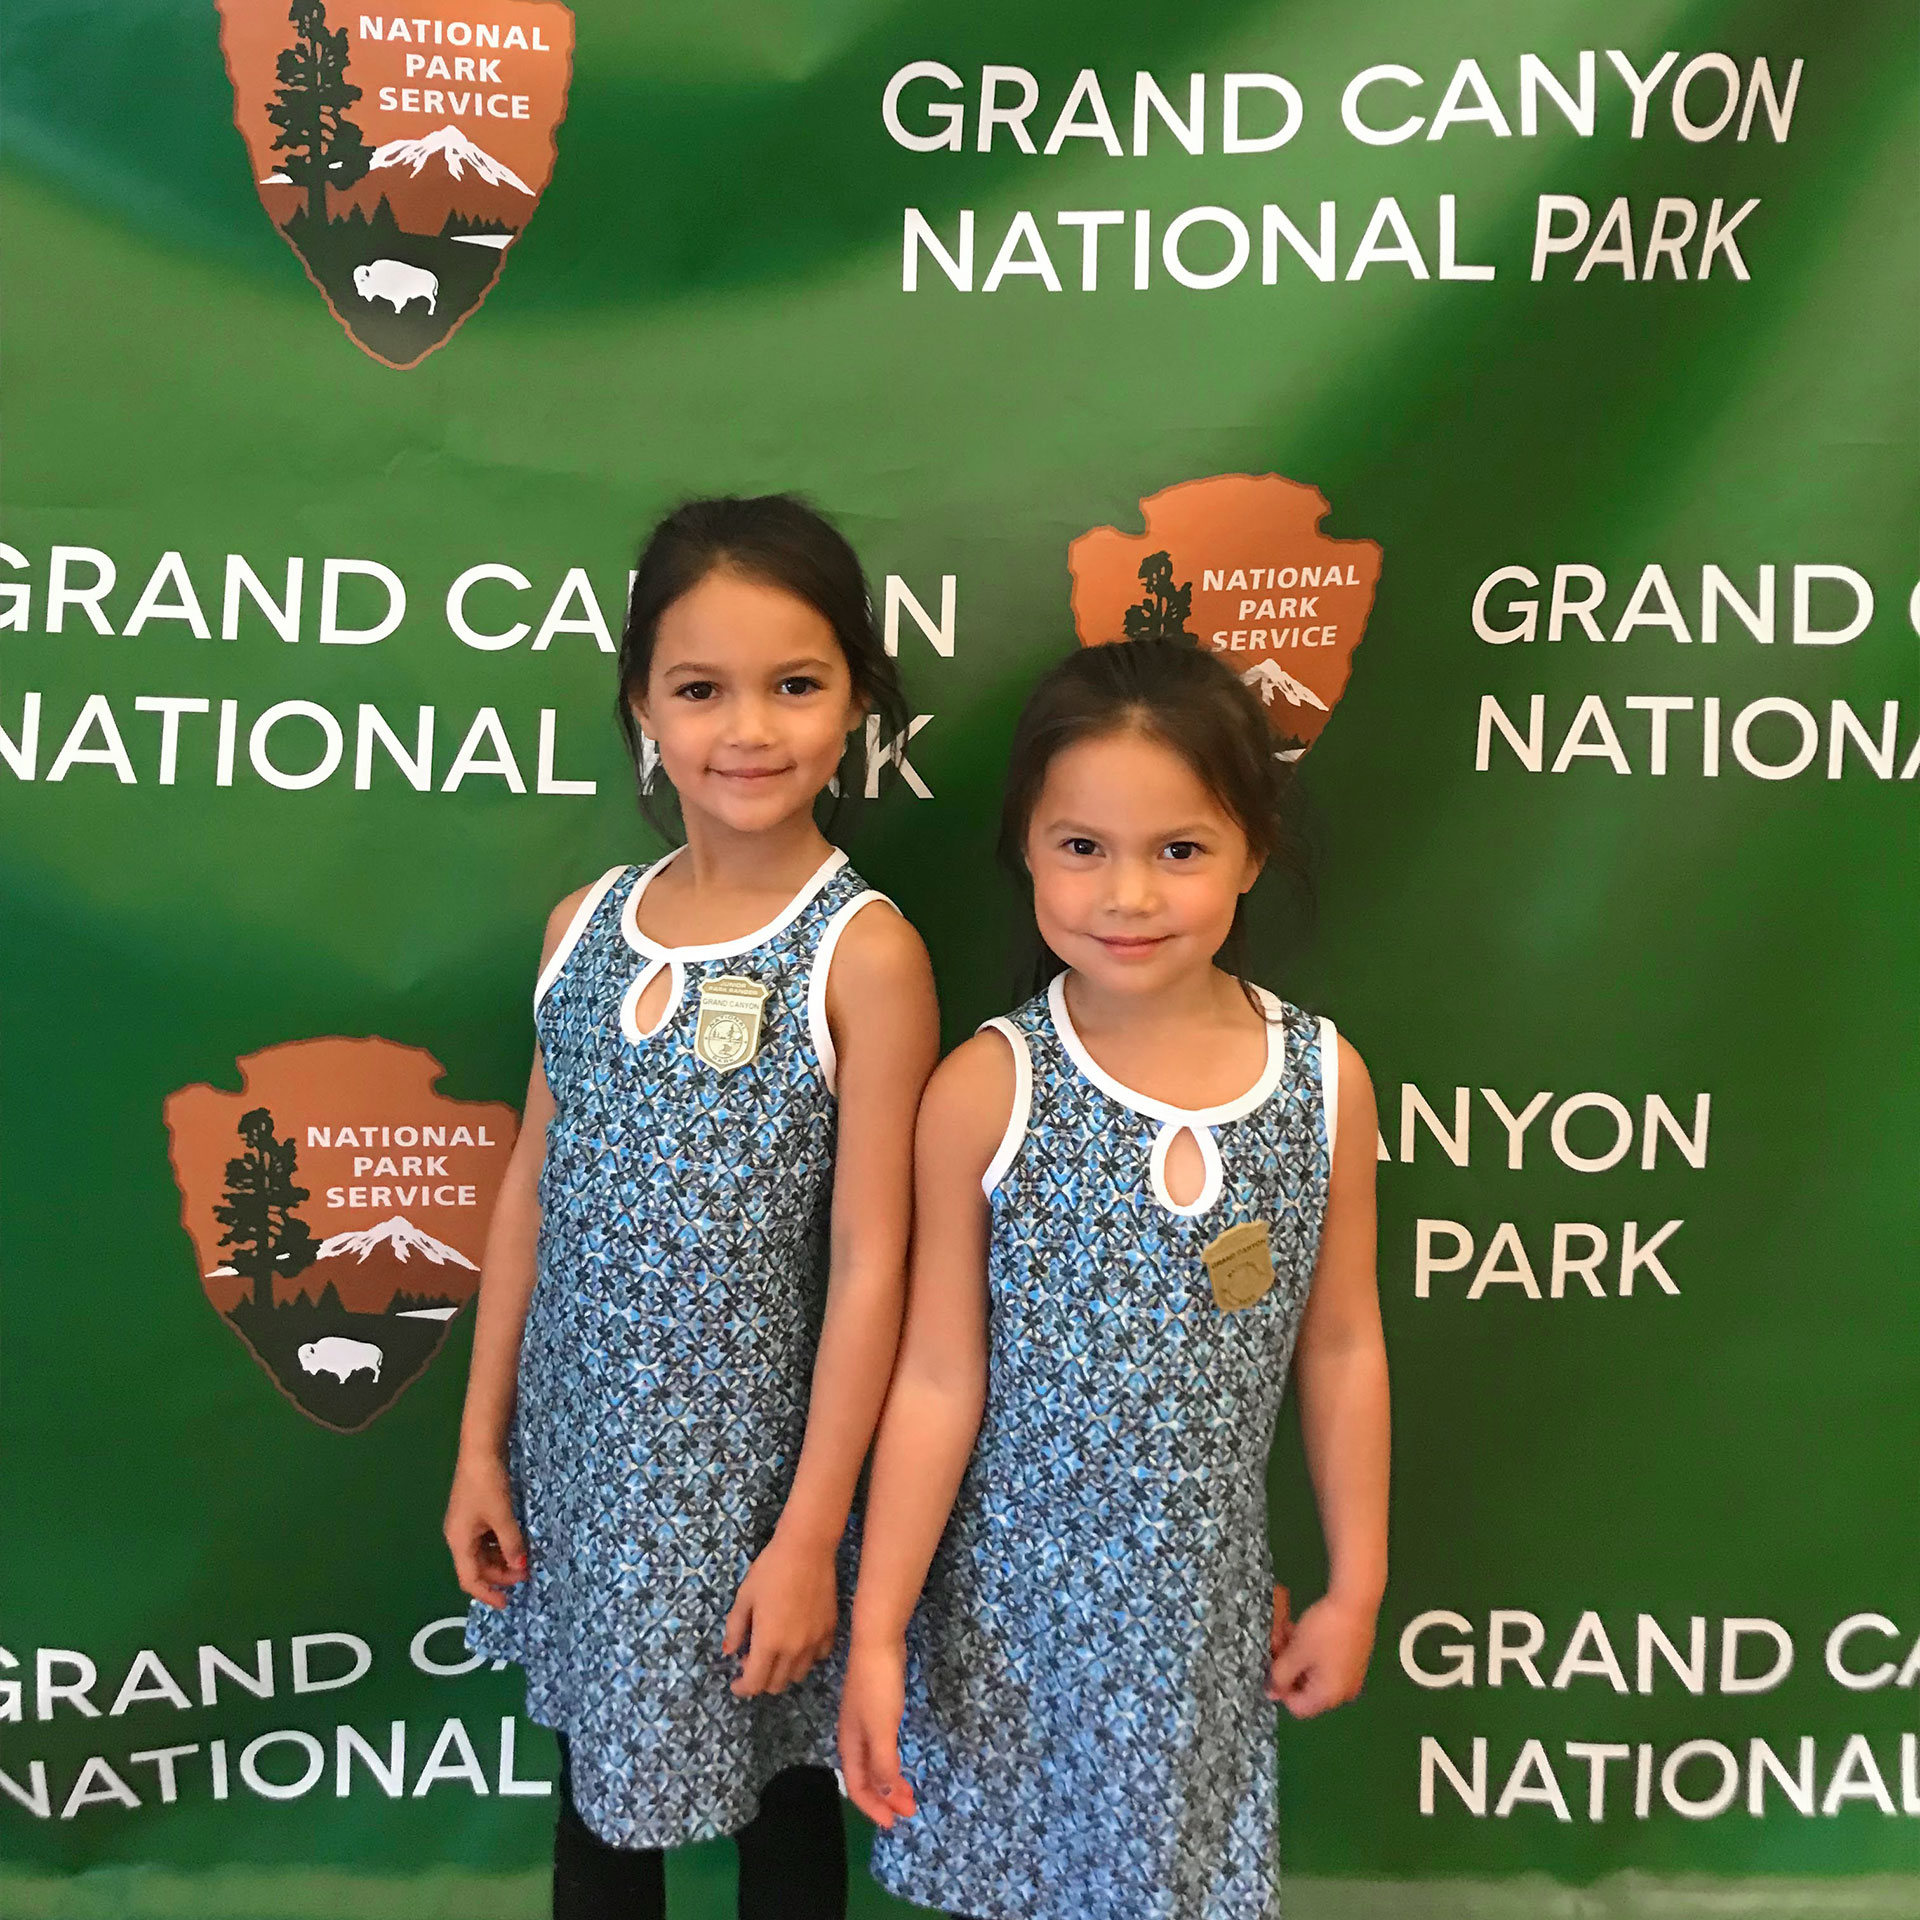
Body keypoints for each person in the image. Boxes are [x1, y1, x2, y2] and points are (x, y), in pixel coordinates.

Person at [445, 495, 940, 1920]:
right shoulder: (582, 923)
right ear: (641, 707)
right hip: (582, 1484)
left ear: (857, 700)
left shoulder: (864, 953)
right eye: (700, 688)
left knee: (780, 1814)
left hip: (756, 1505)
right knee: (599, 1816)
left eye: (797, 685)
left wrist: (806, 1538)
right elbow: (534, 1186)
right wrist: (483, 1446)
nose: (749, 729)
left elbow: (870, 1268)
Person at [840, 638, 1389, 1920]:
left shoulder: (1321, 1087)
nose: (1127, 894)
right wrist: (877, 1630)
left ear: (1252, 852)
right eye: (1081, 846)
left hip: (1195, 1637)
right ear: (1026, 848)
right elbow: (934, 1373)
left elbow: (1343, 1344)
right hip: (999, 1633)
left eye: (1179, 850)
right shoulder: (987, 1088)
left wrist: (1357, 1582)